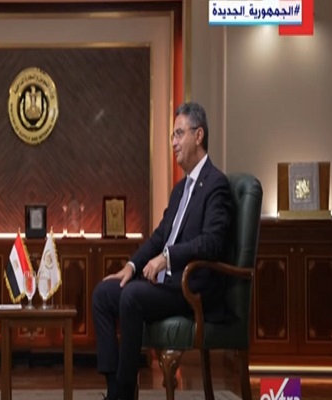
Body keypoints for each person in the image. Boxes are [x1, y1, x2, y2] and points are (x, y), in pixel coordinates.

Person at [92, 101, 234, 400]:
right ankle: (115, 389)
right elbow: (160, 237)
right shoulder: (180, 189)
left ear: (198, 135)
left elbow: (211, 243)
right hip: (168, 284)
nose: (173, 142)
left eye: (179, 134)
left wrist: (168, 258)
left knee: (132, 296)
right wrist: (131, 266)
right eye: (172, 136)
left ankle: (124, 394)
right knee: (103, 294)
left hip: (191, 287)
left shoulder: (216, 185)